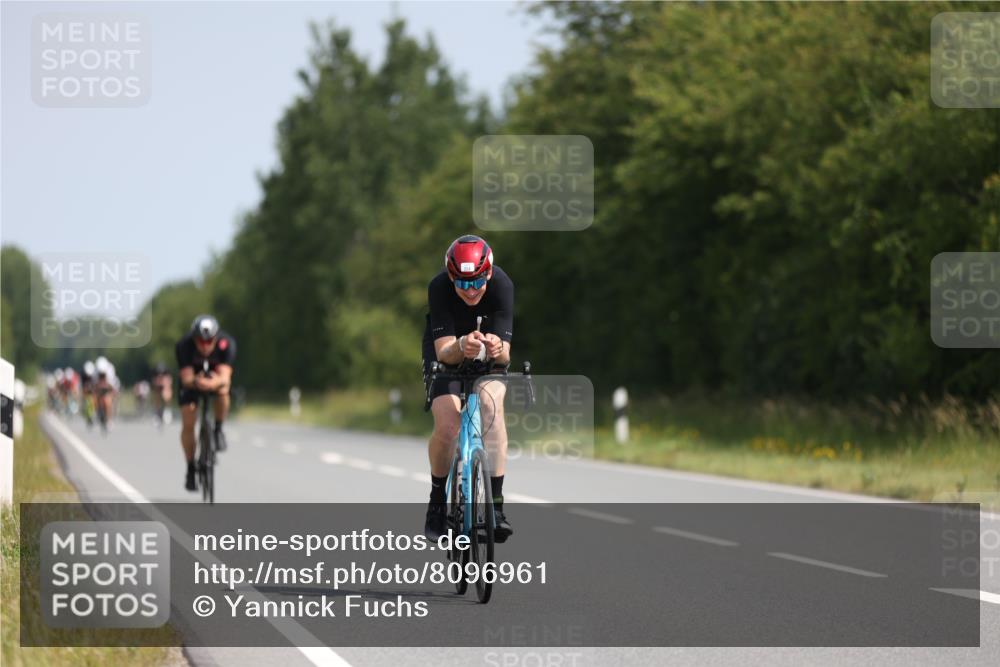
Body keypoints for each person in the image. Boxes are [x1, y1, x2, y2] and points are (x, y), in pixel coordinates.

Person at [422, 235, 514, 542]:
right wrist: (462, 345)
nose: (470, 291)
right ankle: (437, 502)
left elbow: (506, 355)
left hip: (488, 356)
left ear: (488, 273)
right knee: (449, 424)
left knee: (491, 407)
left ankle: (496, 507)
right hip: (447, 353)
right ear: (451, 277)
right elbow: (444, 351)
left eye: (476, 282)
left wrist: (496, 347)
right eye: (462, 284)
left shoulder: (502, 285)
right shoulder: (439, 288)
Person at [175, 314, 236, 492]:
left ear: (216, 338)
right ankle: (190, 468)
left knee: (223, 392)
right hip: (192, 381)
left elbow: (225, 378)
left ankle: (218, 429)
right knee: (188, 419)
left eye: (209, 341)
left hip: (215, 380)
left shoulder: (227, 344)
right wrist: (197, 382)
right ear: (193, 338)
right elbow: (186, 378)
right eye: (200, 341)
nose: (205, 345)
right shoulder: (184, 345)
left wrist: (212, 383)